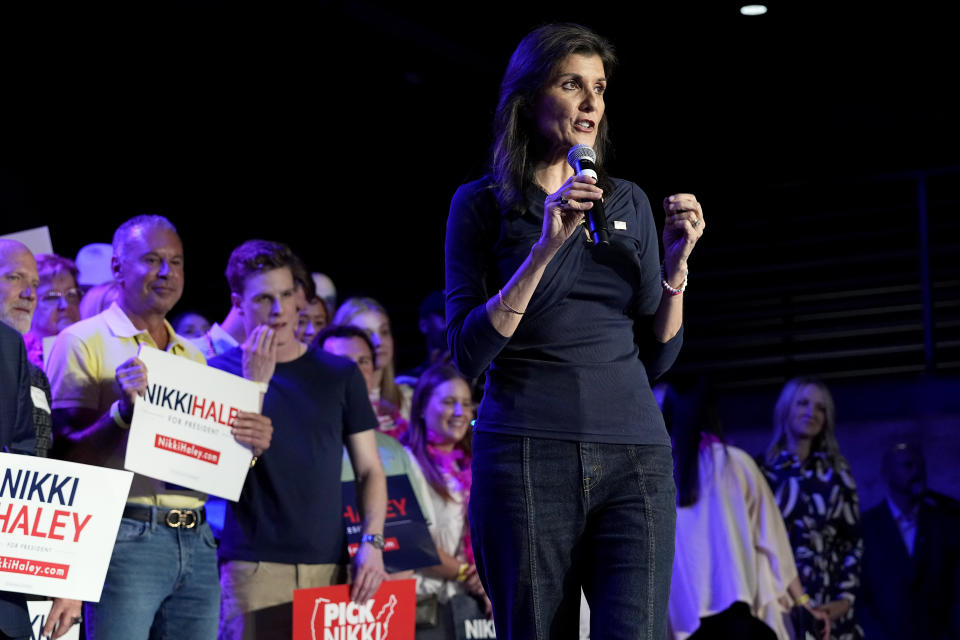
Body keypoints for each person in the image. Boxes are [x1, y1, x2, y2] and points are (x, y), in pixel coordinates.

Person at [444, 23, 704, 639]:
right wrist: (543, 250)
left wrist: (675, 268)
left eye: (600, 88)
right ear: (530, 99)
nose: (591, 103)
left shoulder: (628, 202)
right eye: (572, 84)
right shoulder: (481, 204)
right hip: (528, 453)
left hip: (636, 456)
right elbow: (466, 352)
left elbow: (659, 358)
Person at [45, 215, 273, 640]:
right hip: (126, 537)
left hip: (199, 538)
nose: (167, 272)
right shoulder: (82, 340)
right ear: (117, 268)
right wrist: (122, 414)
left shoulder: (193, 357)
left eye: (176, 261)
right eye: (151, 260)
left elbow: (211, 467)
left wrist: (249, 447)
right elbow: (63, 458)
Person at [207, 240, 387, 640]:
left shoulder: (338, 373)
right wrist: (255, 383)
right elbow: (215, 474)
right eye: (265, 298)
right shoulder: (216, 373)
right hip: (252, 568)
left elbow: (370, 469)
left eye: (287, 295)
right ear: (238, 303)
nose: (280, 310)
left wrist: (372, 544)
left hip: (332, 566)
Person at [660, 382, 829, 640]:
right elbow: (773, 541)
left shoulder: (660, 474)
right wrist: (802, 601)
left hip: (683, 619)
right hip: (737, 611)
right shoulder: (736, 463)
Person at [0, 240, 82, 640]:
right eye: (14, 278)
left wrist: (66, 575)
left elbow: (42, 474)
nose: (29, 293)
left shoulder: (36, 377)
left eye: (34, 283)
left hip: (16, 579)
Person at [760, 378, 864, 640]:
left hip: (832, 606)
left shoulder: (839, 473)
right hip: (782, 605)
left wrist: (845, 600)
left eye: (820, 407)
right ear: (786, 408)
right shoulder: (763, 473)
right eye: (803, 403)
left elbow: (853, 542)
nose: (811, 413)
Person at [399, 364, 488, 638]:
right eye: (449, 403)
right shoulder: (404, 462)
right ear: (423, 408)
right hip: (427, 606)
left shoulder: (479, 465)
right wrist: (468, 574)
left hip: (476, 606)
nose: (461, 413)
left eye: (465, 403)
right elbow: (410, 540)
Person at [858, 441, 960, 640]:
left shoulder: (944, 523)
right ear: (886, 473)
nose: (916, 472)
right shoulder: (867, 527)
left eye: (920, 465)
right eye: (907, 465)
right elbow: (861, 595)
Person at [334, 296, 413, 435]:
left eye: (384, 332)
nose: (379, 342)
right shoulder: (333, 402)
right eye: (367, 334)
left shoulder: (409, 399)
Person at [22, 253, 82, 368]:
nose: (64, 305)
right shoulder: (15, 360)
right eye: (52, 297)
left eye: (71, 294)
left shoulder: (93, 344)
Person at [397, 290, 450, 385]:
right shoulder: (407, 381)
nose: (451, 322)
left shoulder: (478, 376)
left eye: (455, 316)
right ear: (423, 325)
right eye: (445, 316)